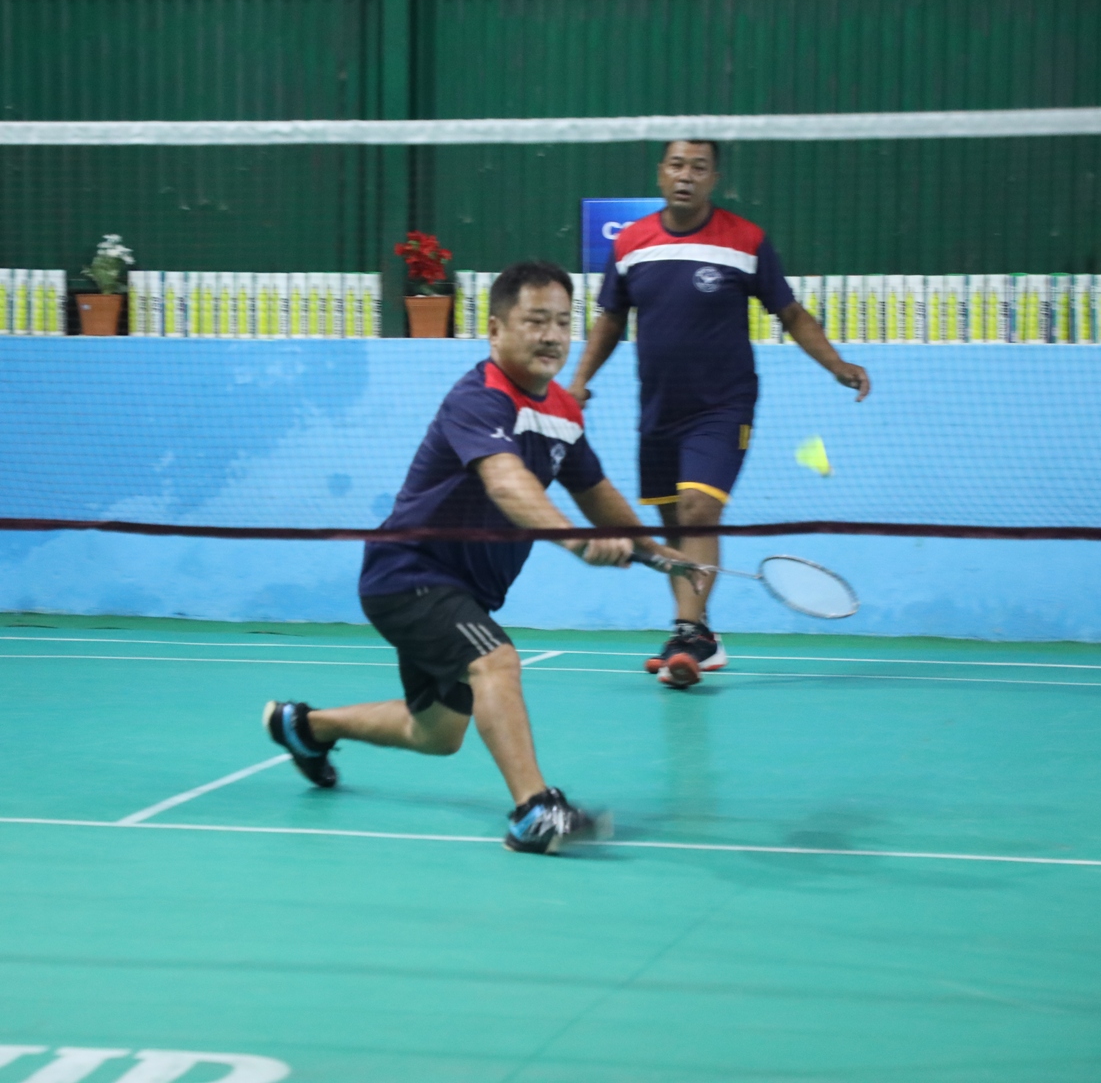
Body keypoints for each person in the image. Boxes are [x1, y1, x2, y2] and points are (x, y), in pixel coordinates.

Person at [263, 260, 697, 854]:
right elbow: (507, 483)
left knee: (437, 733)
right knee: (495, 661)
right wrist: (576, 542)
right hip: (410, 573)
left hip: (462, 590)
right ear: (495, 330)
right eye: (535, 320)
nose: (552, 335)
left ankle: (305, 727)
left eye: (562, 322)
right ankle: (533, 811)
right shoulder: (480, 397)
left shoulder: (563, 412)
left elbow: (595, 491)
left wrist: (653, 552)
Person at [568, 139, 871, 689]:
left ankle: (687, 631)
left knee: (698, 509)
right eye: (677, 165)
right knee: (672, 524)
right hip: (658, 408)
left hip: (723, 405)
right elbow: (610, 319)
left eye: (698, 167)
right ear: (660, 173)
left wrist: (835, 364)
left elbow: (790, 313)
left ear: (714, 179)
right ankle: (700, 636)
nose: (686, 175)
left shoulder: (745, 240)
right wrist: (579, 381)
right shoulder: (631, 243)